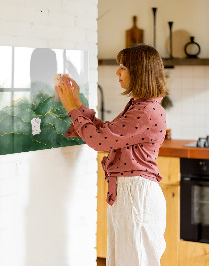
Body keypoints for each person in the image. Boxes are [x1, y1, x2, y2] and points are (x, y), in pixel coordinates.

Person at [56, 44, 168, 266]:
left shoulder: (145, 111)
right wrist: (77, 103)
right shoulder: (141, 106)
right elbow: (107, 133)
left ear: (139, 72)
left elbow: (99, 141)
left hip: (136, 195)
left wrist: (71, 107)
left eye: (123, 67)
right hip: (131, 193)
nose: (117, 72)